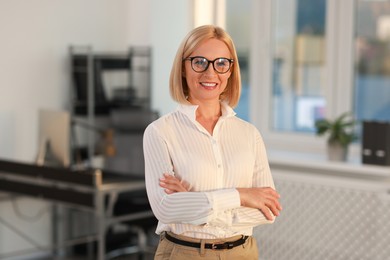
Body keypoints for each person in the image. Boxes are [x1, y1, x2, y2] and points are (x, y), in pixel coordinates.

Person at [143, 24, 282, 260]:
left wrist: (195, 203)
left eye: (220, 63)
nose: (210, 73)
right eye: (199, 62)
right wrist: (241, 195)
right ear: (184, 68)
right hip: (184, 252)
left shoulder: (250, 134)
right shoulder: (160, 132)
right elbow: (165, 208)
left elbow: (267, 211)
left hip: (243, 253)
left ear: (230, 70)